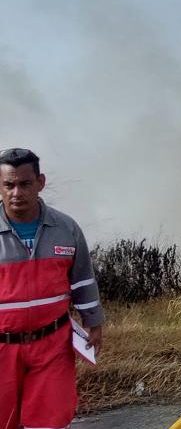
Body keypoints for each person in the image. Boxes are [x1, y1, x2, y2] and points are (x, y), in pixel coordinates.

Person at [0, 148, 106, 429]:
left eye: (25, 184)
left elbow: (82, 279)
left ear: (40, 182)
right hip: (2, 349)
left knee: (49, 421)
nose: (16, 193)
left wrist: (93, 321)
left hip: (52, 345)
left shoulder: (65, 228)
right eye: (8, 185)